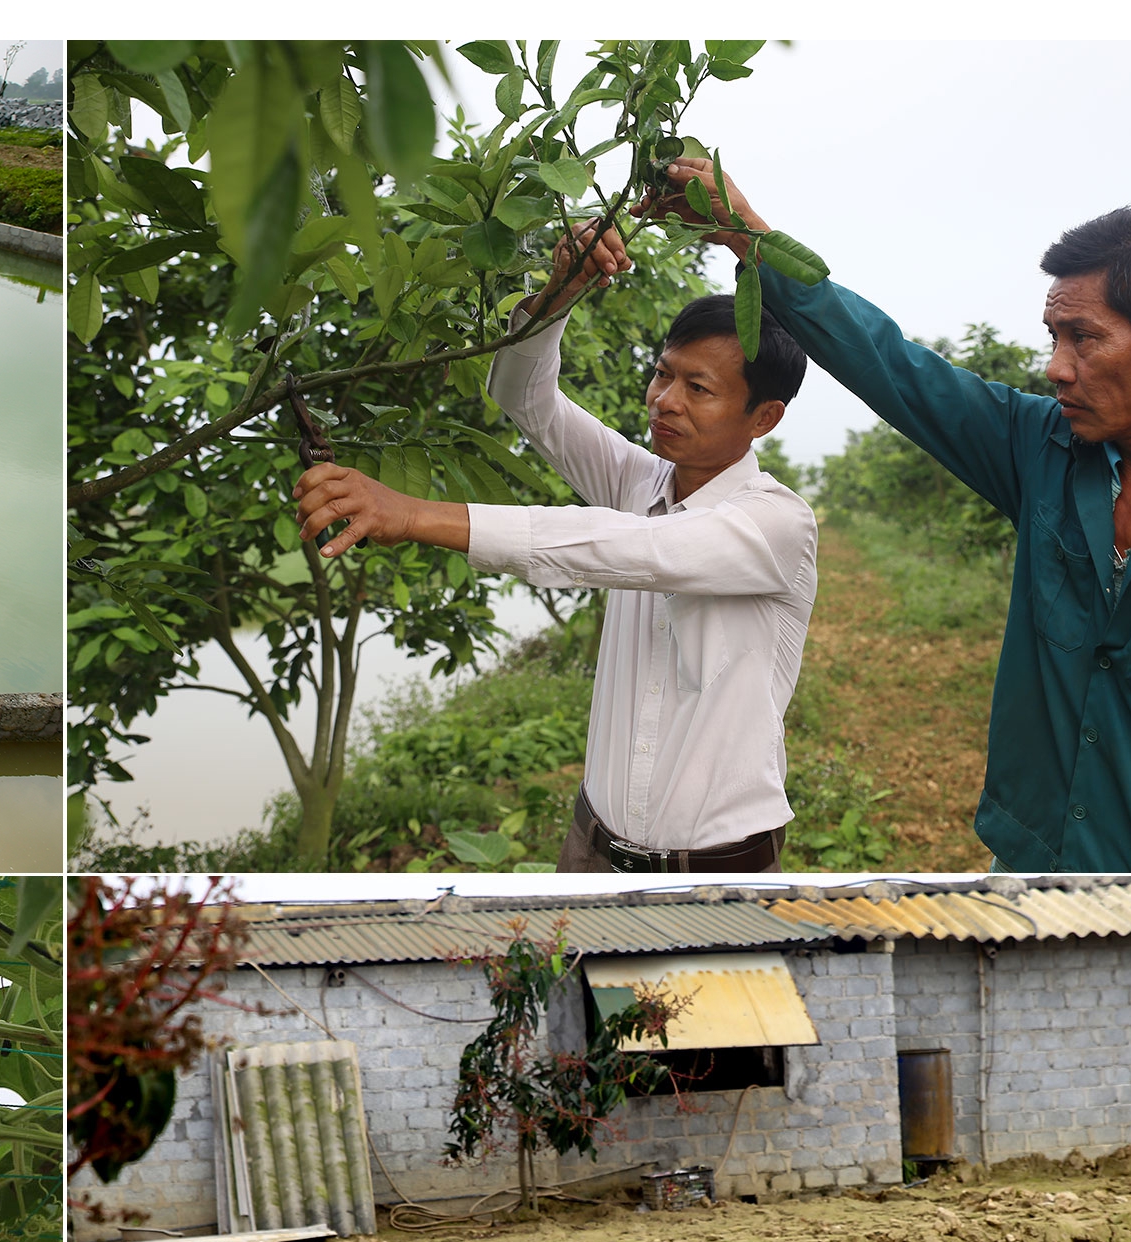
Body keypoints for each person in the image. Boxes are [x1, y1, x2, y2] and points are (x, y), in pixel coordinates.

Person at [650, 159, 1131, 871]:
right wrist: (751, 239)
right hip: (1028, 889)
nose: (1058, 366)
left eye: (1084, 338)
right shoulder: (1041, 451)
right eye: (1053, 336)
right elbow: (893, 366)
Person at [293, 223, 817, 872]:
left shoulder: (778, 524)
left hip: (718, 870)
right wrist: (557, 295)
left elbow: (639, 550)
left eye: (698, 388)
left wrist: (413, 513)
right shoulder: (639, 480)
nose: (663, 401)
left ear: (763, 417)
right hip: (590, 847)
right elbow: (524, 397)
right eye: (662, 374)